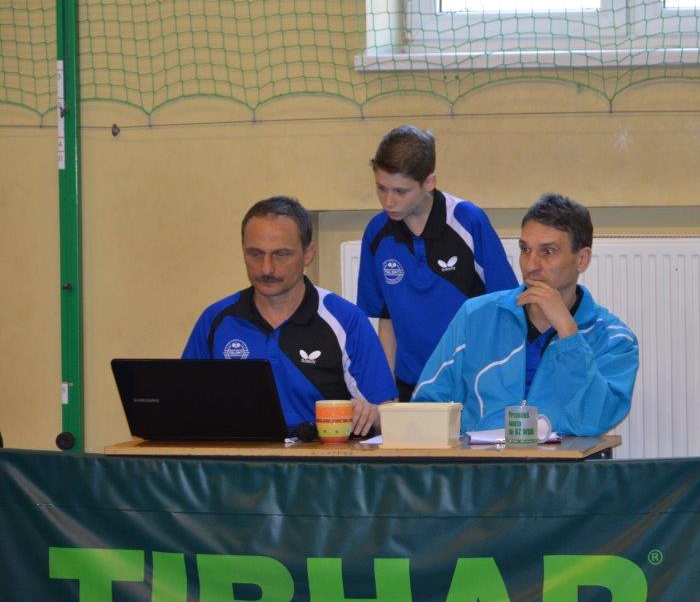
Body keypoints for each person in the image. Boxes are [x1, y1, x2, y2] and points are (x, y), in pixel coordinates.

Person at [412, 193, 638, 436]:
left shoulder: (614, 339)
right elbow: (427, 404)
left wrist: (568, 332)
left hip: (563, 461)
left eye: (548, 251)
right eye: (525, 249)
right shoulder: (475, 317)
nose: (530, 265)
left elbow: (596, 419)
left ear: (581, 259)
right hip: (482, 459)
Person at [183, 196, 396, 436]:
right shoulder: (216, 320)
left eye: (281, 254)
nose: (266, 268)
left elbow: (387, 415)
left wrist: (371, 413)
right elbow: (185, 406)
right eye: (255, 254)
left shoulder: (346, 321)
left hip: (322, 458)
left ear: (308, 253)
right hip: (236, 457)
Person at [357, 125, 519, 401]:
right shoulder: (376, 234)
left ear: (429, 182)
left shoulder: (468, 221)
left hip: (469, 384)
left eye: (400, 191)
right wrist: (386, 391)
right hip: (410, 383)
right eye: (381, 188)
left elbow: (504, 307)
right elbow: (386, 319)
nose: (388, 201)